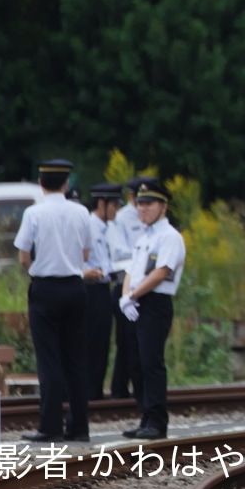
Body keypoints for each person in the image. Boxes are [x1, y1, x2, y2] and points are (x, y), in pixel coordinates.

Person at [13, 159, 93, 442]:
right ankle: (79, 427)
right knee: (75, 358)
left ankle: (50, 426)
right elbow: (85, 254)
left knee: (49, 359)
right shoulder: (82, 212)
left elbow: (23, 255)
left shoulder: (33, 213)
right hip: (75, 287)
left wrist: (37, 268)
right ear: (66, 183)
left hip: (45, 289)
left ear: (40, 183)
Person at [118, 181, 186, 440]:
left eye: (149, 204)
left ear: (163, 206)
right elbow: (130, 271)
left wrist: (133, 295)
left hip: (154, 302)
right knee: (135, 363)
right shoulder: (144, 237)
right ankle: (145, 414)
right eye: (140, 204)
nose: (143, 209)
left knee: (151, 362)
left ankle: (157, 420)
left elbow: (160, 273)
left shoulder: (170, 237)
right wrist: (126, 297)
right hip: (135, 303)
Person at [109, 176, 149, 400]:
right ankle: (119, 390)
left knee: (140, 342)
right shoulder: (121, 219)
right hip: (125, 285)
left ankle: (138, 390)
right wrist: (141, 256)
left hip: (146, 288)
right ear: (132, 196)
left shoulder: (153, 220)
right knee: (125, 342)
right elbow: (119, 253)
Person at [84, 183, 122, 401]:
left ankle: (95, 390)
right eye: (114, 205)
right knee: (92, 340)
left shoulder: (108, 228)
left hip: (105, 286)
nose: (116, 210)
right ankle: (89, 391)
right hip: (91, 286)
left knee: (102, 342)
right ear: (102, 203)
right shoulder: (89, 226)